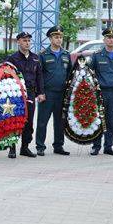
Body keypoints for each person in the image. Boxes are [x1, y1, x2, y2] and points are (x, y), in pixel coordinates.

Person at [7, 32, 45, 159]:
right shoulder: (12, 58)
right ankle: (12, 147)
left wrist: (40, 93)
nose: (27, 43)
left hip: (30, 93)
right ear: (18, 42)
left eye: (29, 40)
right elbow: (7, 77)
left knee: (28, 121)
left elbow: (39, 76)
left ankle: (25, 147)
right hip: (16, 93)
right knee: (15, 120)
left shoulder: (35, 58)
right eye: (24, 40)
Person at [89, 27, 113, 156]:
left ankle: (108, 147)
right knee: (98, 120)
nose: (111, 40)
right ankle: (96, 146)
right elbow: (89, 74)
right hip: (100, 93)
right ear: (104, 40)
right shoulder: (96, 56)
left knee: (110, 121)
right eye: (108, 37)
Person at [36, 26, 72, 156]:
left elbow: (70, 74)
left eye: (61, 37)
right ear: (50, 39)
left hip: (62, 93)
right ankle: (40, 146)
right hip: (47, 93)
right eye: (56, 37)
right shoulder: (43, 55)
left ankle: (58, 146)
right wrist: (40, 92)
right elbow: (38, 75)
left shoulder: (66, 54)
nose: (59, 39)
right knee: (42, 121)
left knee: (60, 121)